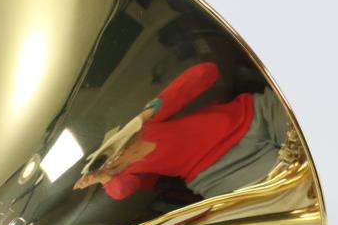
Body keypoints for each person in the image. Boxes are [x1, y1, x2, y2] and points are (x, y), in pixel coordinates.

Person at [73, 62, 288, 199]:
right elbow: (122, 191)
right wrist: (103, 177)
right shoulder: (122, 171)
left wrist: (150, 111)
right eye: (101, 157)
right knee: (288, 192)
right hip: (222, 170)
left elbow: (207, 71)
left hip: (251, 117)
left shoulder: (148, 123)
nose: (112, 156)